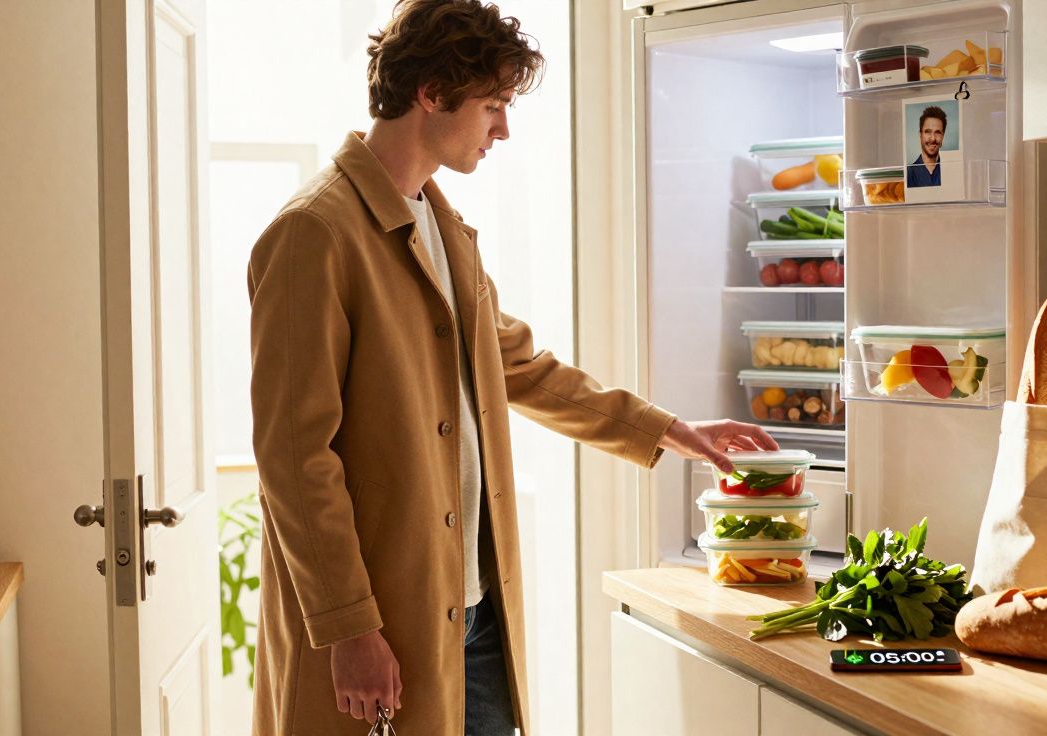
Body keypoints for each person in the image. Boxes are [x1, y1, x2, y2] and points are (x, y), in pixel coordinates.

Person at [246, 2, 778, 734]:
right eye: (494, 105)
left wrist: (669, 429)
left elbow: (518, 367)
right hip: (380, 622)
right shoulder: (314, 234)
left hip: (471, 612)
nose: (503, 129)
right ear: (431, 93)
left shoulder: (443, 226)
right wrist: (346, 628)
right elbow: (294, 455)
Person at [907, 105, 947, 188]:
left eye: (937, 132)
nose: (932, 138)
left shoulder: (951, 172)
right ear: (920, 135)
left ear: (943, 136)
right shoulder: (908, 173)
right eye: (928, 132)